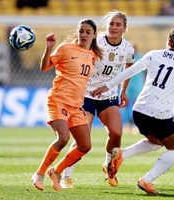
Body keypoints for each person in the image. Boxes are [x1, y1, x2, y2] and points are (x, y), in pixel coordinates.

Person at [92, 27, 174, 195]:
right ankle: (147, 180)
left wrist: (108, 86)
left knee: (157, 142)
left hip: (139, 111)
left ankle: (122, 155)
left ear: (168, 41)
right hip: (158, 115)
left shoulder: (154, 54)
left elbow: (129, 71)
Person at [61, 10, 134, 188]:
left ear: (124, 28)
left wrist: (123, 90)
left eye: (118, 24)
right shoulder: (96, 40)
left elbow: (129, 67)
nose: (114, 27)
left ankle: (108, 164)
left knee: (116, 134)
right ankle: (66, 175)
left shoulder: (128, 48)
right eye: (111, 24)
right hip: (86, 93)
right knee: (82, 137)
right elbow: (75, 49)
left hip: (108, 96)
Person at [31, 19, 103, 192]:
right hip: (59, 100)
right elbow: (44, 67)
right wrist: (48, 48)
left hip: (76, 106)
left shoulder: (94, 55)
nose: (83, 35)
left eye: (87, 32)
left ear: (94, 35)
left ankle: (56, 172)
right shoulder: (65, 48)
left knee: (85, 146)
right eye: (81, 31)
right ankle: (39, 174)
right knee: (63, 138)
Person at [122, 44, 145, 135]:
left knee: (137, 106)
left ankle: (136, 125)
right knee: (126, 105)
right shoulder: (125, 59)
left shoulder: (141, 58)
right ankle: (128, 124)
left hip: (137, 85)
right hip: (128, 85)